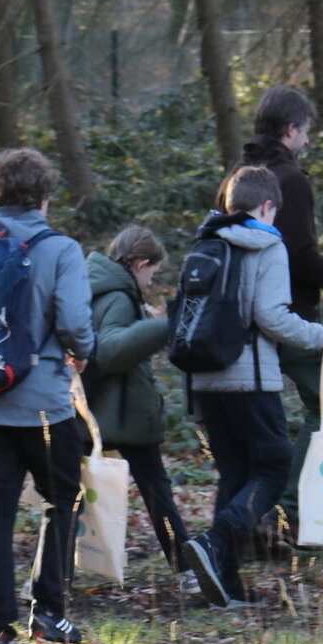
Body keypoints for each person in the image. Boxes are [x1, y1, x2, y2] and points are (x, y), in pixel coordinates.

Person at [181, 167, 323, 608]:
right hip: (249, 377)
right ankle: (216, 542)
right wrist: (318, 335)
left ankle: (225, 587)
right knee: (275, 467)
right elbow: (271, 315)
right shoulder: (268, 245)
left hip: (207, 378)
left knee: (234, 475)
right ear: (267, 207)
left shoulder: (206, 243)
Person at [0, 148, 95, 644]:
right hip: (44, 404)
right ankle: (50, 612)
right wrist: (83, 355)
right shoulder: (60, 250)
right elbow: (76, 324)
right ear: (43, 197)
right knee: (62, 500)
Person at [235, 84, 323, 539]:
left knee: (259, 421)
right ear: (290, 130)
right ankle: (287, 510)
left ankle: (252, 511)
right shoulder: (291, 180)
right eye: (305, 133)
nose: (307, 142)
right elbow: (300, 252)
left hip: (243, 317)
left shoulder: (240, 173)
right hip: (290, 315)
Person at [82, 225, 189, 577]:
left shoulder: (96, 288)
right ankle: (187, 568)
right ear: (141, 263)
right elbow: (111, 350)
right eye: (152, 273)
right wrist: (162, 327)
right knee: (158, 492)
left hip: (96, 410)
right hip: (122, 415)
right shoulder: (118, 297)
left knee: (70, 498)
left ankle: (50, 579)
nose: (150, 282)